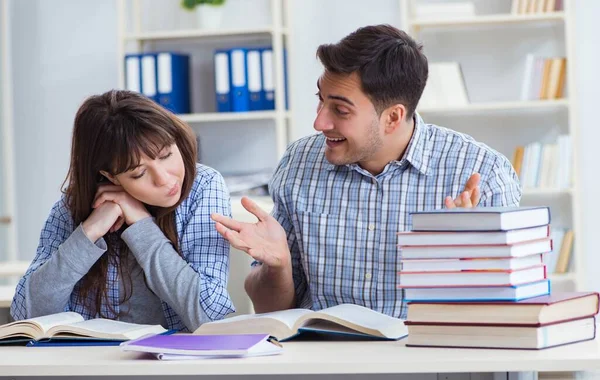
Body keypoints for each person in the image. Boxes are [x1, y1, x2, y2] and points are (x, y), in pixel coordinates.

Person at [211, 24, 521, 320]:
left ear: (393, 117)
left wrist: (464, 258)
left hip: (428, 362)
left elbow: (507, 315)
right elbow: (271, 311)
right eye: (321, 100)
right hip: (325, 363)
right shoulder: (299, 163)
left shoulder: (480, 174)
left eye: (340, 110)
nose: (319, 123)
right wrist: (277, 267)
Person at [11, 90, 234, 332]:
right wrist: (89, 232)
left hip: (173, 364)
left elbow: (212, 317)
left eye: (166, 155)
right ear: (110, 177)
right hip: (88, 362)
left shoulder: (203, 186)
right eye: (138, 173)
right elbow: (28, 314)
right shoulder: (77, 204)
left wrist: (141, 225)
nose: (164, 179)